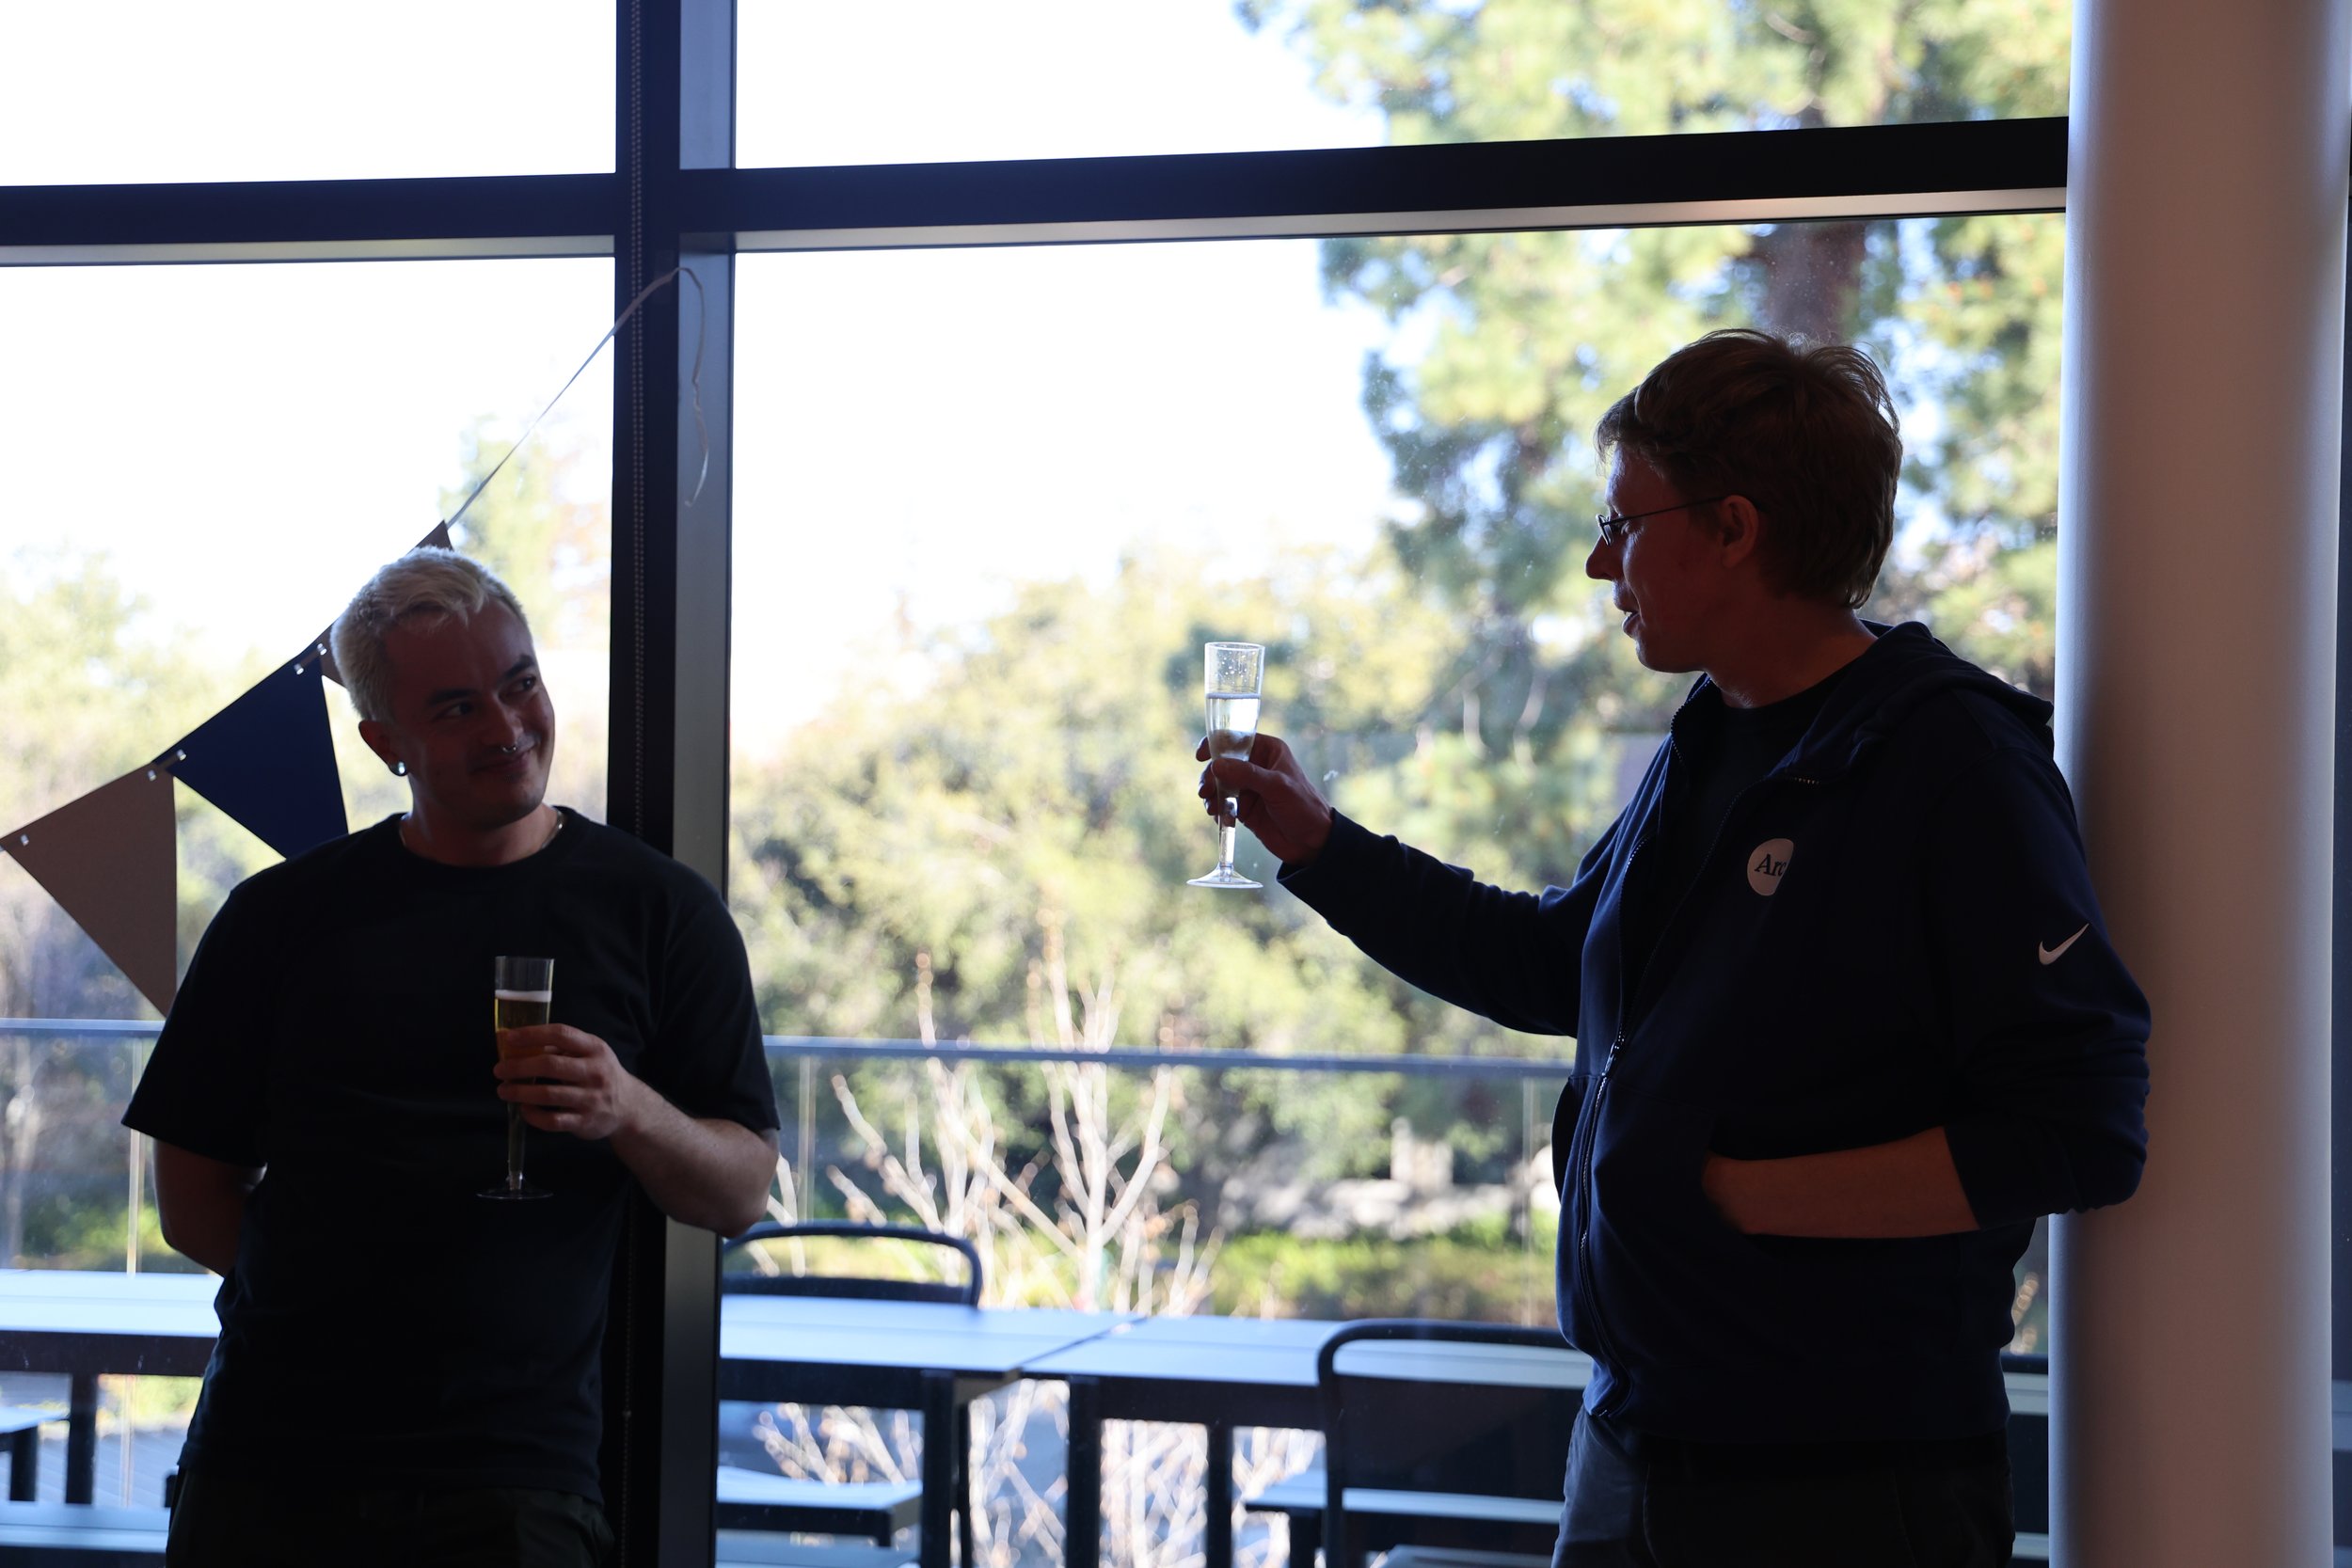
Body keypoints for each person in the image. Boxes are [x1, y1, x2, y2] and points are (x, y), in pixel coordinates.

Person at [1200, 329, 2150, 1566]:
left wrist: (1730, 1194)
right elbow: (1551, 961)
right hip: (1629, 1446)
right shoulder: (1708, 738)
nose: (1600, 560)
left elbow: (2078, 1128)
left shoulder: (1952, 763)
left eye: (1622, 522)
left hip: (1846, 1489)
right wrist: (1319, 844)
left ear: (1734, 528)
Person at [125, 548, 780, 1568]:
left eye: (521, 683)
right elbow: (191, 1197)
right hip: (270, 1459)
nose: (507, 726)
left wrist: (628, 1107)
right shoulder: (279, 916)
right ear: (384, 740)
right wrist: (344, 1308)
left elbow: (740, 1191)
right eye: (457, 707)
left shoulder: (661, 911)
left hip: (520, 1472)